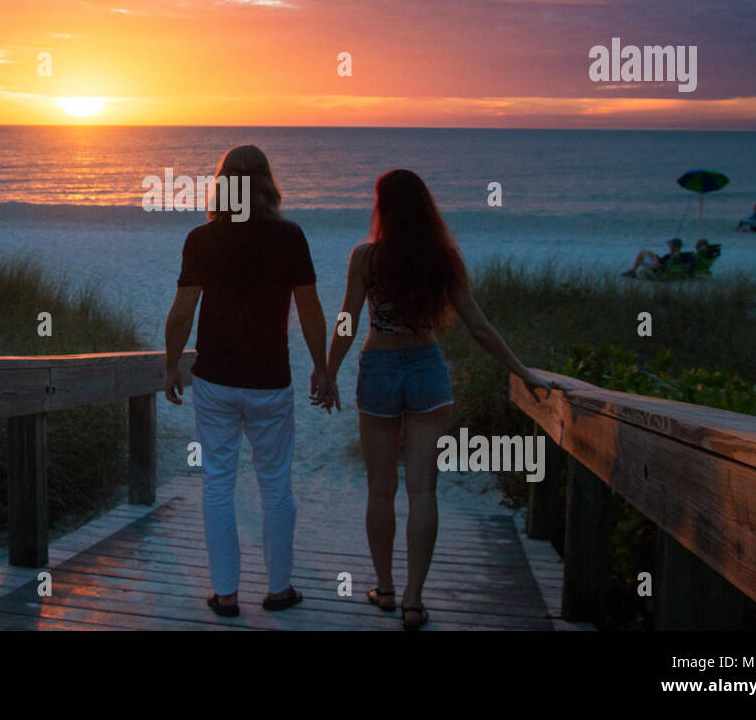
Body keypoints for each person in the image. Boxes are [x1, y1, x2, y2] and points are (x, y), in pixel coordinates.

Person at [318, 169, 556, 630]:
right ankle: (413, 601)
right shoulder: (443, 258)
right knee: (423, 489)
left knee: (380, 489)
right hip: (427, 367)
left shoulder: (366, 257)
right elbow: (479, 326)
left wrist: (329, 373)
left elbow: (348, 319)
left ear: (383, 207)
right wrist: (521, 370)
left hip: (380, 367)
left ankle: (385, 589)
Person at [162, 145, 331, 619]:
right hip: (270, 382)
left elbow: (181, 312)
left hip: (215, 380)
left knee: (218, 482)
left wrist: (171, 365)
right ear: (268, 184)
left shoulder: (202, 239)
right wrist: (322, 369)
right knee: (275, 484)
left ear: (222, 184)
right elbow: (311, 311)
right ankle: (279, 590)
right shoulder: (290, 237)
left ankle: (225, 594)